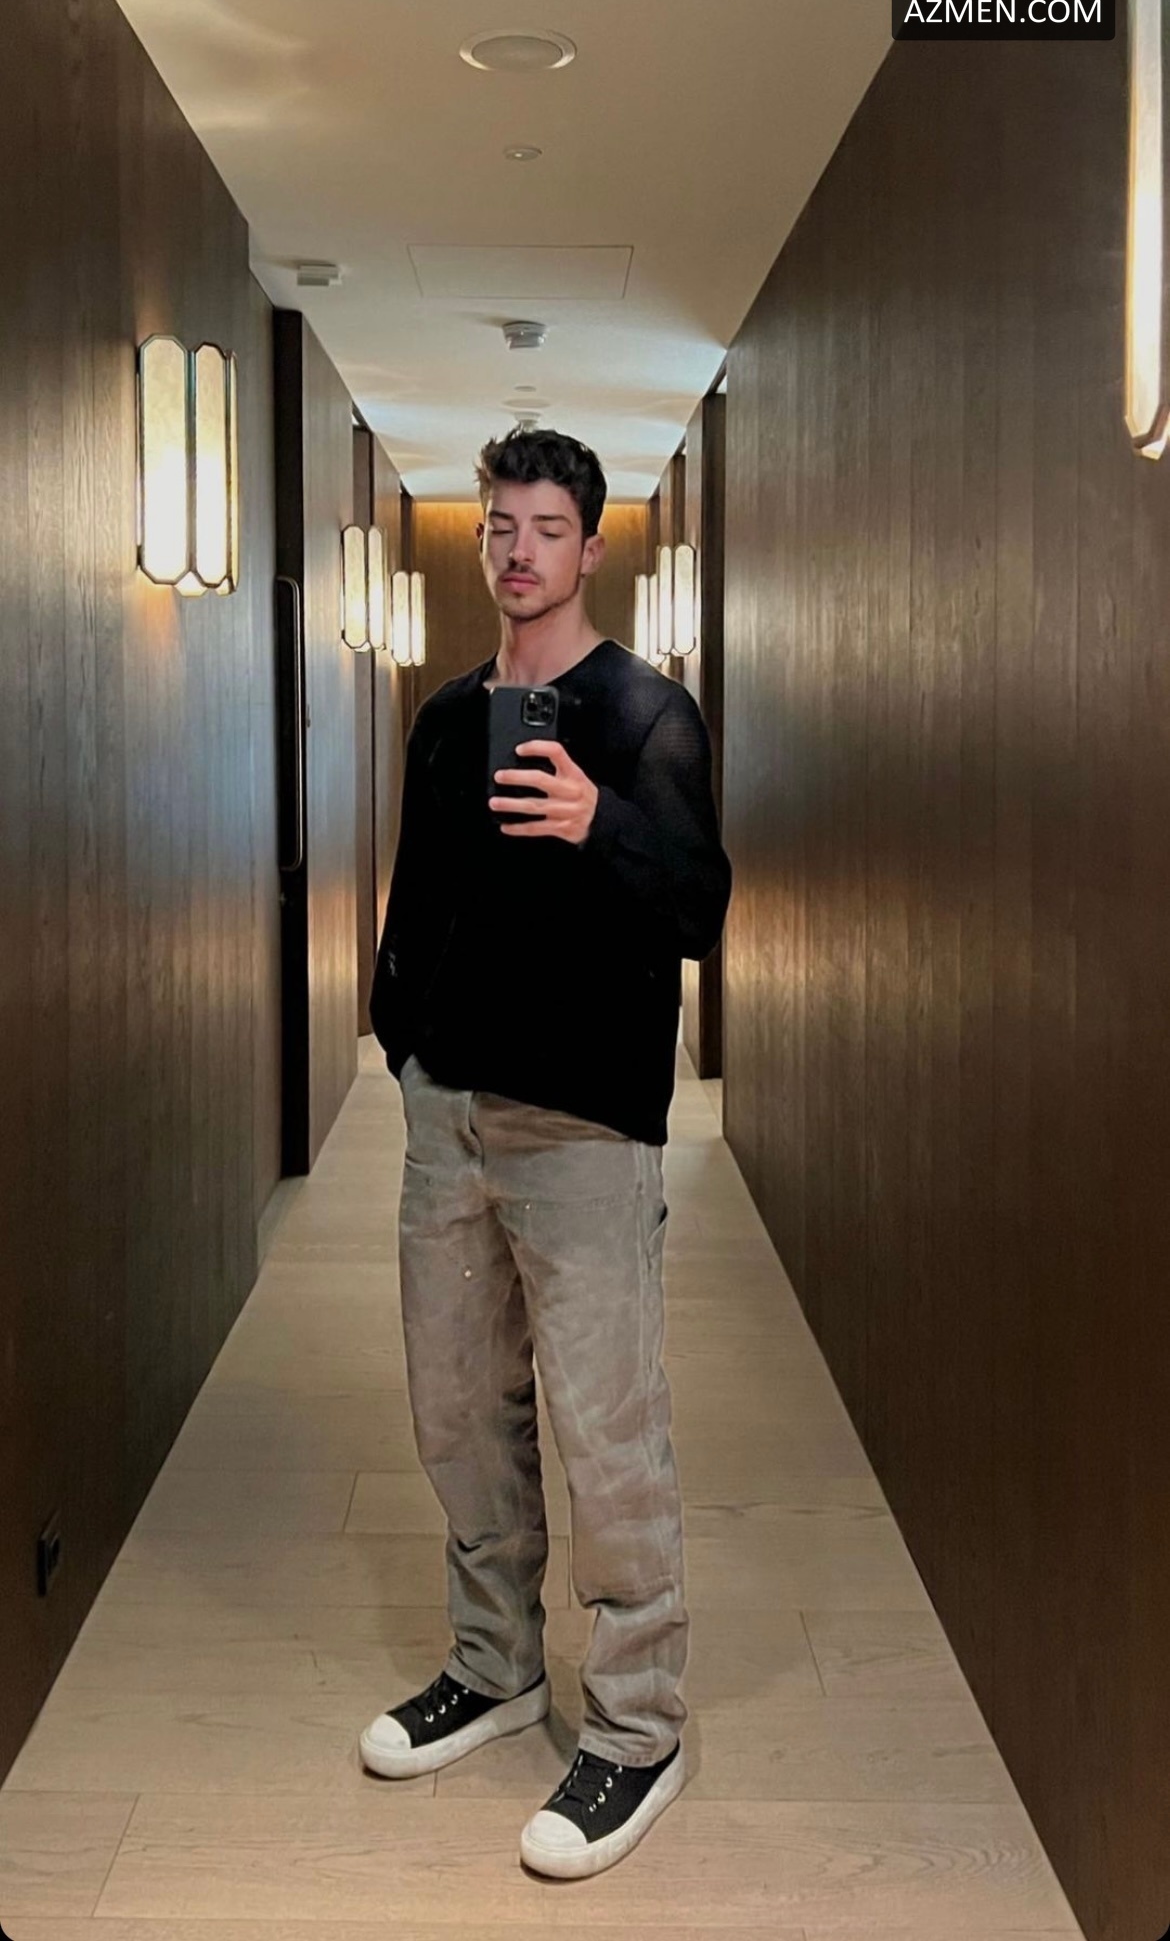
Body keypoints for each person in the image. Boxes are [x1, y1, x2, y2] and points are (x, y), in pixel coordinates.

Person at [361, 425, 732, 1880]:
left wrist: (600, 822)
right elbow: (419, 890)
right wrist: (402, 1034)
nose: (518, 551)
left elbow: (699, 906)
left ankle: (638, 1726)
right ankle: (495, 1663)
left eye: (547, 528)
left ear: (590, 545)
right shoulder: (449, 717)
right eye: (499, 526)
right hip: (446, 1118)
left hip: (580, 1127)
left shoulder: (647, 716)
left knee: (605, 1430)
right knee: (458, 1408)